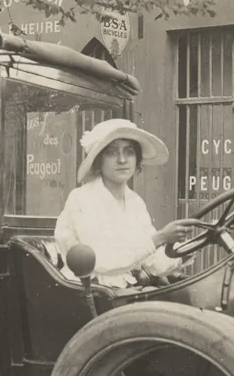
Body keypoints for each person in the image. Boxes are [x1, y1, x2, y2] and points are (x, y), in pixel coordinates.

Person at [55, 119, 196, 288]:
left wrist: (193, 247)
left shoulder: (135, 202)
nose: (122, 160)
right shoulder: (82, 198)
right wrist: (162, 237)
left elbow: (154, 263)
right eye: (112, 153)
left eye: (129, 152)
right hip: (89, 293)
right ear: (99, 161)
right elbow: (102, 260)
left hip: (125, 292)